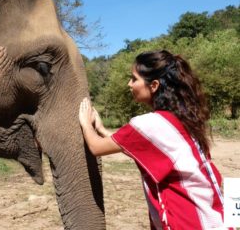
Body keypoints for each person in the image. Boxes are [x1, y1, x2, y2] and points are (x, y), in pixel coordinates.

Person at [79, 50, 228, 229]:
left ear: (154, 85)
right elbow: (132, 145)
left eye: (134, 79)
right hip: (216, 217)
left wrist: (85, 122)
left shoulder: (149, 124)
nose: (129, 84)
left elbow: (96, 148)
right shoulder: (181, 120)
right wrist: (102, 129)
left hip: (188, 222)